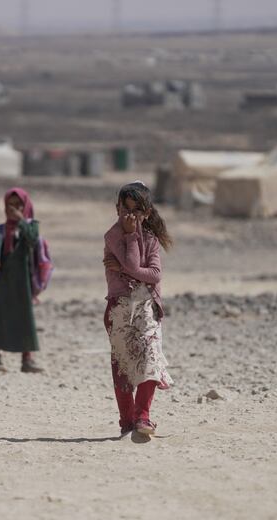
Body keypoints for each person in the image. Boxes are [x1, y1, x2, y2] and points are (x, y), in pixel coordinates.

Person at [103, 181, 174, 438]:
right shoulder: (112, 237)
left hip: (146, 306)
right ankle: (126, 420)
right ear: (117, 208)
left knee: (151, 357)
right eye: (125, 210)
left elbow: (153, 274)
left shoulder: (151, 240)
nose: (130, 217)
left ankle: (142, 416)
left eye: (136, 212)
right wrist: (132, 237)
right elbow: (135, 265)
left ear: (146, 213)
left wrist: (122, 268)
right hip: (120, 307)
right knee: (122, 363)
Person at [0, 188, 45, 373]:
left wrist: (21, 221)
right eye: (11, 205)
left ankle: (27, 359)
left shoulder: (31, 225)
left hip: (23, 281)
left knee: (25, 318)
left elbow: (32, 239)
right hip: (4, 280)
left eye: (19, 205)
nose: (14, 209)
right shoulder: (1, 230)